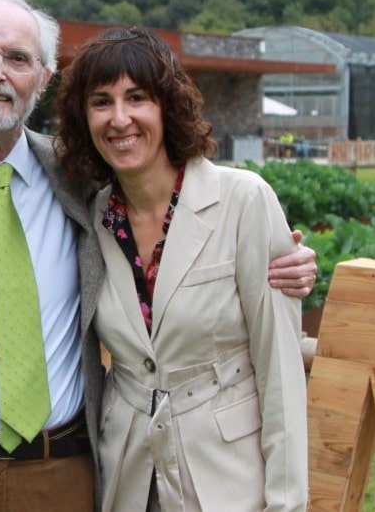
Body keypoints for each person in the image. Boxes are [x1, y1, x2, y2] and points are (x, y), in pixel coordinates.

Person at [0, 0, 317, 512]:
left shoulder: (78, 182)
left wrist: (291, 266)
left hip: (65, 473)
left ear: (43, 77)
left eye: (17, 58)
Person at [54, 26, 308, 512]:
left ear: (167, 106)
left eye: (137, 97)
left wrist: (287, 502)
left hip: (228, 477)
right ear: (82, 117)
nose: (120, 118)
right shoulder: (91, 218)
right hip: (128, 474)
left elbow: (280, 371)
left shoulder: (243, 200)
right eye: (101, 102)